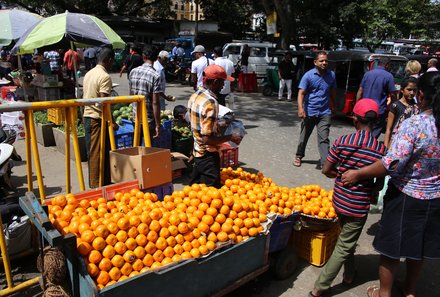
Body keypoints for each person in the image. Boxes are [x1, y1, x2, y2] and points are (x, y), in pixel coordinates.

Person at [341, 72, 440, 297]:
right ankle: (410, 289)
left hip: (407, 196)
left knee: (391, 251)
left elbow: (392, 163)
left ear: (421, 94)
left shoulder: (415, 124)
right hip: (435, 198)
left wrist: (358, 174)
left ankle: (383, 293)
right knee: (419, 248)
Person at [309, 99, 386, 297]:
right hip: (358, 207)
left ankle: (349, 274)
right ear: (375, 121)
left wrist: (341, 175)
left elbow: (326, 169)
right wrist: (371, 186)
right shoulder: (380, 150)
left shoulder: (343, 142)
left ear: (355, 120)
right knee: (345, 245)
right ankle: (320, 288)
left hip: (340, 201)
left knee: (346, 239)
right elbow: (380, 181)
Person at [187, 65, 242, 187]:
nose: (223, 85)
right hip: (208, 156)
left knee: (194, 193)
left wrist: (217, 124)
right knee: (211, 198)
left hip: (197, 152)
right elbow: (207, 139)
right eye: (222, 82)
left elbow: (199, 123)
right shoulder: (211, 102)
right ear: (216, 82)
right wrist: (230, 137)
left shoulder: (196, 95)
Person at [293, 51, 336, 170]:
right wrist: (301, 108)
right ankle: (299, 156)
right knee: (304, 136)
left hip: (325, 112)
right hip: (309, 111)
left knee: (324, 138)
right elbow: (301, 93)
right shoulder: (308, 75)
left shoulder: (331, 75)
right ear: (315, 62)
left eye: (326, 60)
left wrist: (334, 105)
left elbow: (332, 91)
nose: (324, 63)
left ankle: (325, 163)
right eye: (321, 61)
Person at [82, 47, 115, 188]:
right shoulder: (105, 77)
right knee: (96, 152)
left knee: (93, 151)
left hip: (88, 115)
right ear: (109, 60)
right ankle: (96, 185)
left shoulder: (89, 73)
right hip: (96, 117)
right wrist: (112, 121)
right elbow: (104, 103)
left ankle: (100, 181)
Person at [356, 56, 398, 138]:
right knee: (375, 131)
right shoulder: (389, 76)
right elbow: (393, 94)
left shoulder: (367, 74)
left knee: (363, 130)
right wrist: (394, 105)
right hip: (379, 110)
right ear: (387, 65)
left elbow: (360, 91)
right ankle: (369, 146)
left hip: (365, 109)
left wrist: (357, 105)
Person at [129, 46, 162, 144]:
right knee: (147, 147)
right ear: (156, 59)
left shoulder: (133, 71)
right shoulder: (155, 75)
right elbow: (155, 103)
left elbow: (131, 95)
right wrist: (157, 124)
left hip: (135, 116)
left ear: (143, 57)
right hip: (149, 119)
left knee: (136, 145)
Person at [383, 77, 419, 148]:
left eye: (414, 90)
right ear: (402, 90)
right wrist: (385, 147)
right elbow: (389, 129)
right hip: (395, 143)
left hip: (409, 144)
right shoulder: (395, 106)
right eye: (409, 90)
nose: (412, 93)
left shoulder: (417, 107)